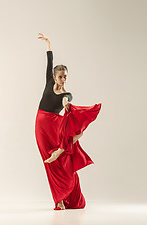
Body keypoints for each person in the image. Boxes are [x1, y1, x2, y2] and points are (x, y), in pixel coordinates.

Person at [35, 33, 102, 210]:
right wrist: (48, 44)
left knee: (62, 158)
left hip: (54, 125)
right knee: (49, 164)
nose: (63, 79)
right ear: (55, 77)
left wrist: (66, 103)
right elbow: (49, 61)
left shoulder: (67, 94)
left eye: (65, 76)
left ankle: (68, 145)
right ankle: (59, 199)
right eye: (60, 76)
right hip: (41, 126)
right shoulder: (49, 82)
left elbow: (67, 101)